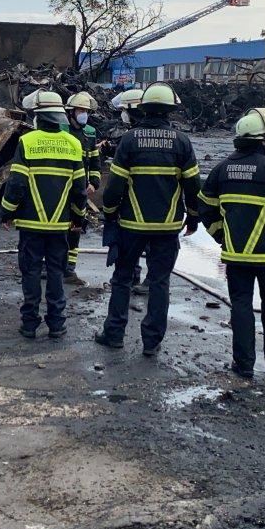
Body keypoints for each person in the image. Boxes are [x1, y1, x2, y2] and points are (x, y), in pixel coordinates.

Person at [95, 82, 201, 356]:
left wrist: (110, 214)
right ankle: (152, 343)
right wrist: (193, 217)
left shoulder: (130, 141)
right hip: (167, 228)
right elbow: (193, 187)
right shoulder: (182, 142)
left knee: (122, 278)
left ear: (143, 110)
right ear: (169, 111)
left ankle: (114, 334)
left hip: (131, 226)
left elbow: (115, 187)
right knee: (159, 282)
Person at [199, 108, 265, 378]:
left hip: (236, 258)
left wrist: (222, 237)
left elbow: (205, 209)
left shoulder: (221, 170)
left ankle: (243, 364)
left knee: (241, 308)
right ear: (264, 141)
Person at [0, 91, 88, 339]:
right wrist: (78, 218)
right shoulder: (74, 144)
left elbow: (16, 183)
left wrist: (7, 212)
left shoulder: (27, 142)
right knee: (56, 273)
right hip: (61, 226)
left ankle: (29, 324)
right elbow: (79, 190)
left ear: (37, 116)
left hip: (30, 224)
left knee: (30, 273)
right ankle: (57, 324)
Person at [101, 88, 146, 292]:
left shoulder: (129, 140)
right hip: (165, 213)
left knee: (129, 249)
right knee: (156, 250)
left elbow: (116, 183)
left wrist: (109, 211)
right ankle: (149, 283)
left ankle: (129, 279)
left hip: (132, 209)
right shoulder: (176, 138)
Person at [63, 91, 101, 285]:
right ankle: (51, 265)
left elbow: (95, 160)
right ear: (71, 112)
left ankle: (69, 268)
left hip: (80, 190)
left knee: (76, 227)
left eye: (86, 111)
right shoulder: (62, 131)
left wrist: (94, 182)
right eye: (80, 110)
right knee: (57, 227)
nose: (83, 114)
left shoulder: (90, 133)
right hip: (61, 189)